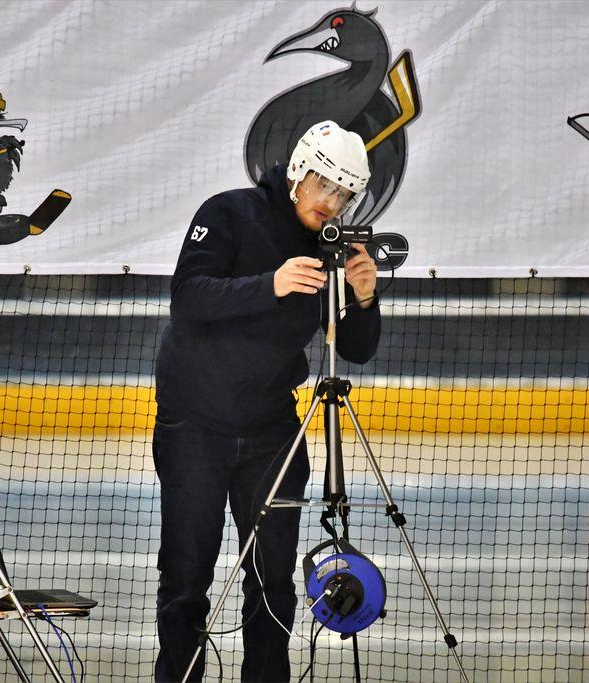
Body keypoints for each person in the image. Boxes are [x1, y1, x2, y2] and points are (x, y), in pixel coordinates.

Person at [153, 121, 382, 682]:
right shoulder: (229, 213)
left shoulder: (330, 250)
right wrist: (271, 283)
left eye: (345, 194)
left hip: (273, 434)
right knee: (186, 578)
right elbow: (188, 297)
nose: (332, 203)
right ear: (299, 174)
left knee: (273, 582)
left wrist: (365, 296)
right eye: (325, 186)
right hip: (194, 429)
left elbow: (355, 350)